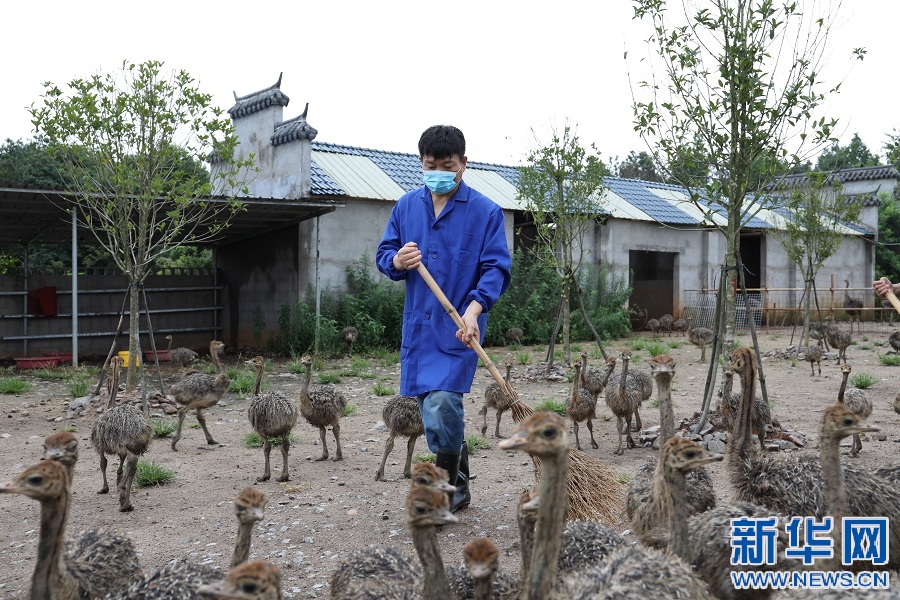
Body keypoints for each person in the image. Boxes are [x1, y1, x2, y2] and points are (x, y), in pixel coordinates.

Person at [376, 125, 511, 512]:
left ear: (463, 165)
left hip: (459, 328)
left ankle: (446, 493)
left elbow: (495, 269)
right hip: (419, 328)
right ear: (421, 163)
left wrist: (474, 310)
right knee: (432, 411)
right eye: (430, 164)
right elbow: (385, 254)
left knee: (442, 403)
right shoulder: (406, 207)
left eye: (447, 165)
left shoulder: (485, 212)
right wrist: (397, 261)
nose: (438, 171)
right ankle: (461, 481)